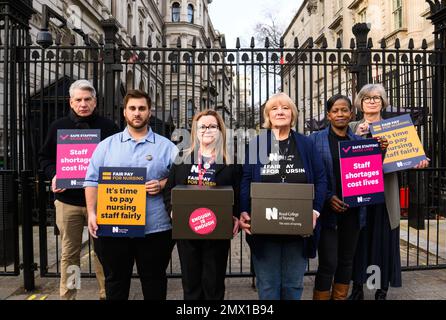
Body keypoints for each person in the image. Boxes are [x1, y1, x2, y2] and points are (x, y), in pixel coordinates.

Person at [84, 89, 178, 300]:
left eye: (142, 108)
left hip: (156, 228)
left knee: (154, 280)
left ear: (149, 112)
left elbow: (181, 179)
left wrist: (162, 183)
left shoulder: (167, 147)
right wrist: (91, 212)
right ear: (124, 112)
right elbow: (91, 181)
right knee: (116, 281)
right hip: (114, 227)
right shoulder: (105, 146)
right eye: (132, 108)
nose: (137, 113)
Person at [239, 92, 327, 300]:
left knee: (293, 285)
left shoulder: (306, 144)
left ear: (293, 114)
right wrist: (244, 210)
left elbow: (321, 179)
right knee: (268, 286)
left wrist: (315, 211)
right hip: (264, 227)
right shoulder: (257, 144)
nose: (280, 111)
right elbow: (245, 180)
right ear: (268, 115)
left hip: (298, 229)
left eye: (285, 107)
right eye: (275, 108)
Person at [38, 79, 119, 300]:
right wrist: (54, 174)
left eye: (87, 99)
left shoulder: (109, 127)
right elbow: (44, 158)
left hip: (102, 201)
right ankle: (69, 295)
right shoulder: (58, 126)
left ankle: (106, 294)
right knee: (70, 254)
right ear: (71, 102)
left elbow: (119, 159)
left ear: (95, 101)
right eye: (78, 100)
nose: (83, 104)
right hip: (68, 201)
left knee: (104, 254)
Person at [348, 83, 429, 300]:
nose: (372, 101)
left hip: (384, 195)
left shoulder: (395, 127)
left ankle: (380, 289)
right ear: (361, 102)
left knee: (381, 242)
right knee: (359, 241)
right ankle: (357, 288)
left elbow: (408, 153)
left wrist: (418, 161)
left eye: (377, 98)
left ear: (383, 102)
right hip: (359, 194)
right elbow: (341, 154)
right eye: (367, 98)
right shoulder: (352, 126)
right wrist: (357, 135)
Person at [310, 94, 387, 300]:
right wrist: (327, 197)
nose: (340, 114)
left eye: (344, 110)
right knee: (328, 262)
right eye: (335, 110)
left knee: (346, 262)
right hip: (327, 213)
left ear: (352, 113)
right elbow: (312, 175)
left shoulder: (359, 142)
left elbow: (369, 175)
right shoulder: (315, 140)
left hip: (353, 212)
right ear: (329, 115)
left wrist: (380, 154)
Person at [163, 109, 242, 300]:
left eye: (212, 126)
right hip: (187, 231)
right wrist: (172, 211)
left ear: (220, 130)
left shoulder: (231, 161)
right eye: (202, 126)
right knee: (191, 284)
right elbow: (169, 190)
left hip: (217, 232)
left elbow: (239, 192)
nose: (207, 130)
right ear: (195, 131)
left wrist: (237, 215)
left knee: (214, 284)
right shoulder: (182, 157)